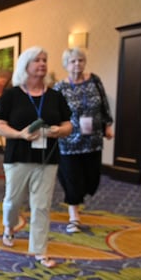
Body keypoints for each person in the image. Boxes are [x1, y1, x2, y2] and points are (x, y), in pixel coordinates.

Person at [0, 46, 72, 268]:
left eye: (45, 60)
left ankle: (40, 250)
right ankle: (9, 226)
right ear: (25, 65)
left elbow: (68, 124)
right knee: (13, 202)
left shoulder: (55, 96)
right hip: (18, 156)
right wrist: (19, 134)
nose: (42, 64)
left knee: (41, 205)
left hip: (47, 158)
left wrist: (59, 131)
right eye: (37, 60)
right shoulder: (12, 95)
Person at [53, 47, 114, 234]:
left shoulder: (94, 80)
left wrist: (108, 124)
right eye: (72, 61)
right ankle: (74, 217)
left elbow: (104, 104)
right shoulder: (60, 87)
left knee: (91, 180)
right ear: (66, 65)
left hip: (93, 139)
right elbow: (55, 113)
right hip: (69, 142)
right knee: (72, 180)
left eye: (80, 60)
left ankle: (79, 197)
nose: (77, 64)